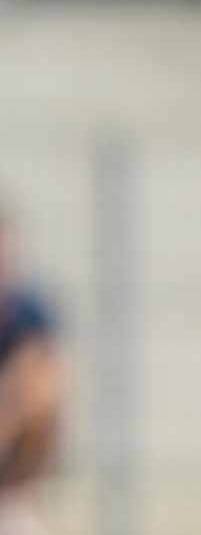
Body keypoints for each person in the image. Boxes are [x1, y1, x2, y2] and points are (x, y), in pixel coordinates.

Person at [0, 205, 59, 535]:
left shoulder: (27, 311)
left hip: (11, 467)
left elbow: (42, 390)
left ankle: (13, 489)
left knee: (37, 379)